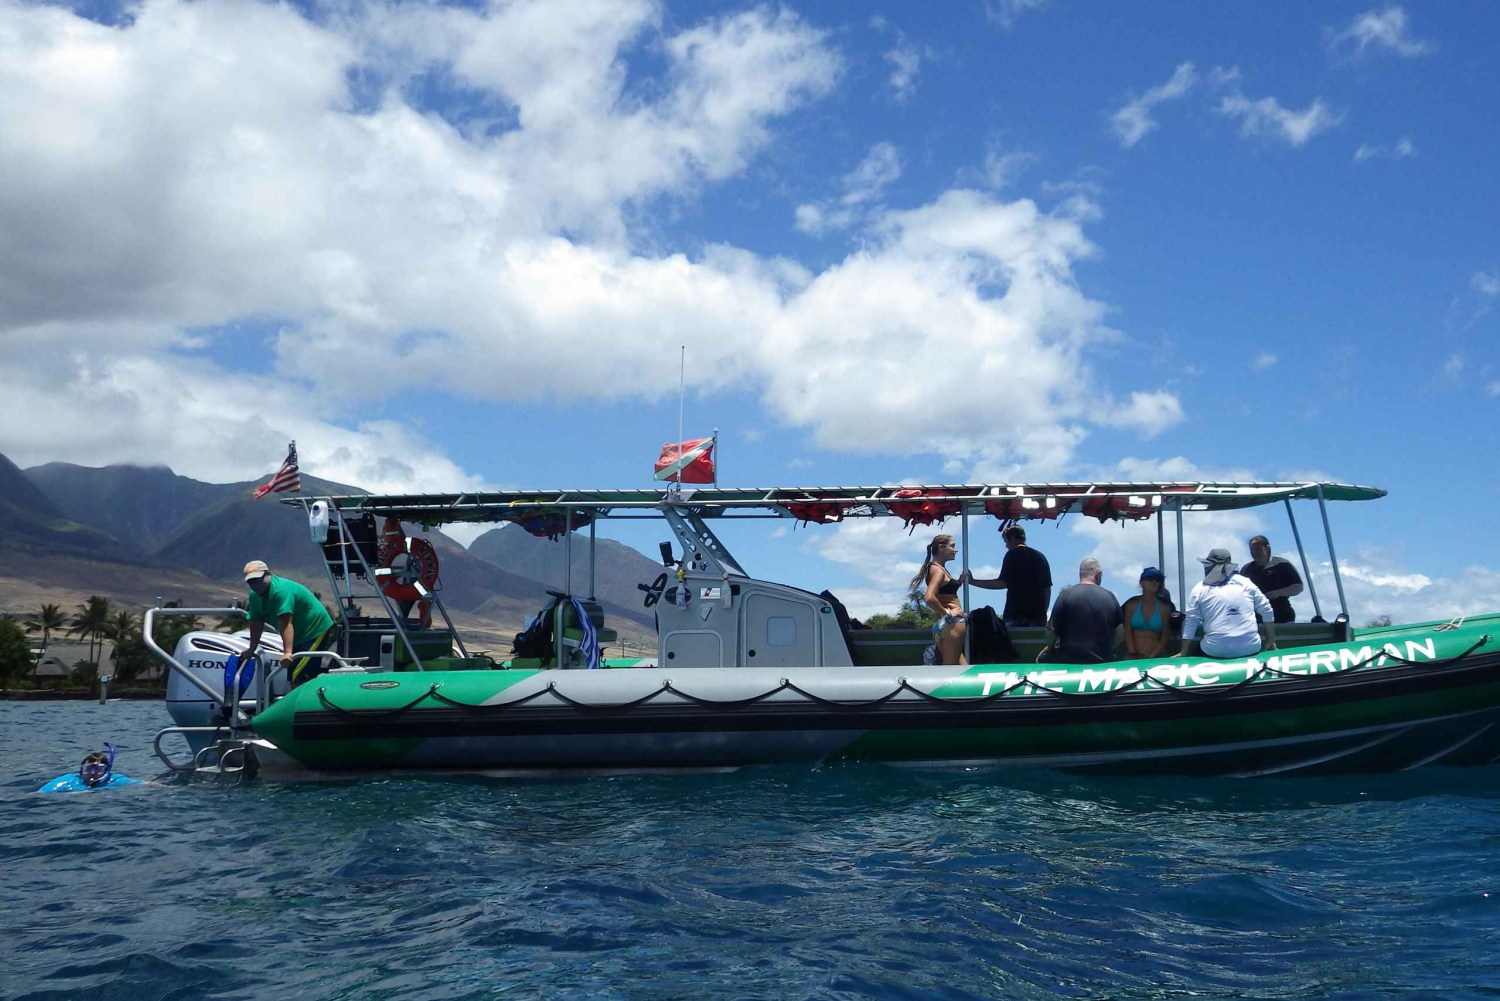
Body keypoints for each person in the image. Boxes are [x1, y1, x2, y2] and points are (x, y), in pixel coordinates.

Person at [242, 559, 337, 687]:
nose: (255, 584)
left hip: (314, 629)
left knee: (299, 674)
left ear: (268, 574)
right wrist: (251, 649)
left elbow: (285, 622)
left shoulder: (281, 591)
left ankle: (303, 705)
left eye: (258, 579)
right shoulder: (254, 595)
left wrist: (287, 652)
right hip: (297, 635)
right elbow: (256, 622)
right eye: (250, 581)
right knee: (294, 672)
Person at [1181, 549, 1277, 659]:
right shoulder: (1247, 583)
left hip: (1215, 650)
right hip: (1251, 647)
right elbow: (1267, 610)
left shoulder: (1199, 588)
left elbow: (1191, 621)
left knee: (1199, 648)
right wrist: (1271, 640)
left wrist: (1183, 652)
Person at [1036, 558, 1123, 664]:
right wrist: (1110, 648)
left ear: (1080, 574)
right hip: (1103, 660)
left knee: (1042, 660)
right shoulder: (1110, 597)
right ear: (1098, 574)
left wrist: (1050, 647)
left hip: (1069, 660)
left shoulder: (1066, 595)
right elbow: (1120, 631)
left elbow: (1051, 632)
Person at [963, 525, 1053, 627]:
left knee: (1014, 642)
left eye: (1006, 541)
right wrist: (1043, 612)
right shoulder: (1040, 556)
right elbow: (1047, 588)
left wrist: (973, 582)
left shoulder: (1012, 555)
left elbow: (1001, 583)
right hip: (1038, 616)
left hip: (1016, 614)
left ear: (1011, 538)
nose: (1006, 546)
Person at [910, 534, 967, 666]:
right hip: (951, 623)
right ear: (941, 547)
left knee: (963, 668)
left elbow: (944, 591)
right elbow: (929, 597)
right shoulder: (938, 571)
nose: (956, 550)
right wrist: (948, 613)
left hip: (944, 624)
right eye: (952, 546)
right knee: (951, 670)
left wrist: (958, 582)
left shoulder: (936, 568)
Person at [1238, 535, 1304, 624]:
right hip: (1255, 617)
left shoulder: (1282, 565)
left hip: (1281, 615)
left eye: (1257, 548)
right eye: (1252, 549)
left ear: (1267, 548)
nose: (1254, 552)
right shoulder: (1247, 569)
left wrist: (1278, 593)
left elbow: (1298, 587)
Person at [38, 744, 143, 793]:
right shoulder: (68, 781)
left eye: (99, 769)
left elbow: (143, 784)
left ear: (106, 772)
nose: (92, 773)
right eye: (88, 769)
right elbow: (40, 794)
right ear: (81, 770)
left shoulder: (114, 780)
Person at [1123, 567, 1174, 660]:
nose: (1154, 582)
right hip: (1133, 656)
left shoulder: (1165, 608)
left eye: (1158, 580)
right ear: (1141, 582)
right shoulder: (1131, 605)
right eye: (1150, 579)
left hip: (1157, 657)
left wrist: (1152, 657)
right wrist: (1133, 654)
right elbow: (1128, 632)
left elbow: (1165, 636)